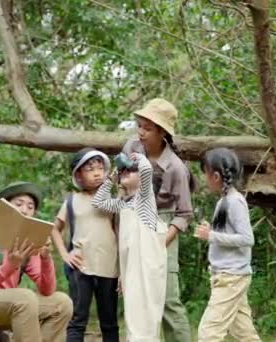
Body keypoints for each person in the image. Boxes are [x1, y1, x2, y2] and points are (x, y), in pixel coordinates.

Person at [0, 182, 73, 342]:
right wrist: (10, 265)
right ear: (4, 207)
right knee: (25, 297)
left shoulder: (28, 244)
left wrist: (46, 258)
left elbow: (47, 290)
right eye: (19, 204)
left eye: (30, 207)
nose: (25, 210)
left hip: (7, 305)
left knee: (62, 303)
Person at [123, 98, 194, 342]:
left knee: (167, 298)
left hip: (163, 226)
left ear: (162, 132)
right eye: (139, 125)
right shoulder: (131, 147)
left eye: (148, 128)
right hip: (132, 220)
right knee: (137, 295)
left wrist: (159, 242)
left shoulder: (175, 168)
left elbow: (184, 214)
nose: (140, 132)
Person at [92, 152, 167, 341]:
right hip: (131, 268)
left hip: (146, 267)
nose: (126, 172)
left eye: (131, 171)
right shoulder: (123, 204)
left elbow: (147, 169)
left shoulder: (144, 201)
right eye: (123, 170)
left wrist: (139, 158)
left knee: (145, 315)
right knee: (133, 316)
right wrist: (112, 178)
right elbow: (98, 202)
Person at [51, 147, 119, 342]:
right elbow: (55, 228)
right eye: (90, 169)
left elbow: (118, 232)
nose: (97, 173)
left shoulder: (112, 202)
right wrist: (65, 254)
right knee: (78, 320)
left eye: (101, 168)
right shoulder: (72, 201)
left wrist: (122, 268)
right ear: (78, 175)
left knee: (109, 322)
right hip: (81, 267)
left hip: (109, 267)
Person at [195, 148, 261, 342]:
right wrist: (212, 231)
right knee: (245, 334)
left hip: (231, 277)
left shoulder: (234, 202)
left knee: (208, 333)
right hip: (225, 275)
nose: (205, 179)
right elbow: (225, 235)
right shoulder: (224, 202)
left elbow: (247, 239)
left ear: (215, 175)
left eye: (205, 174)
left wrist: (212, 235)